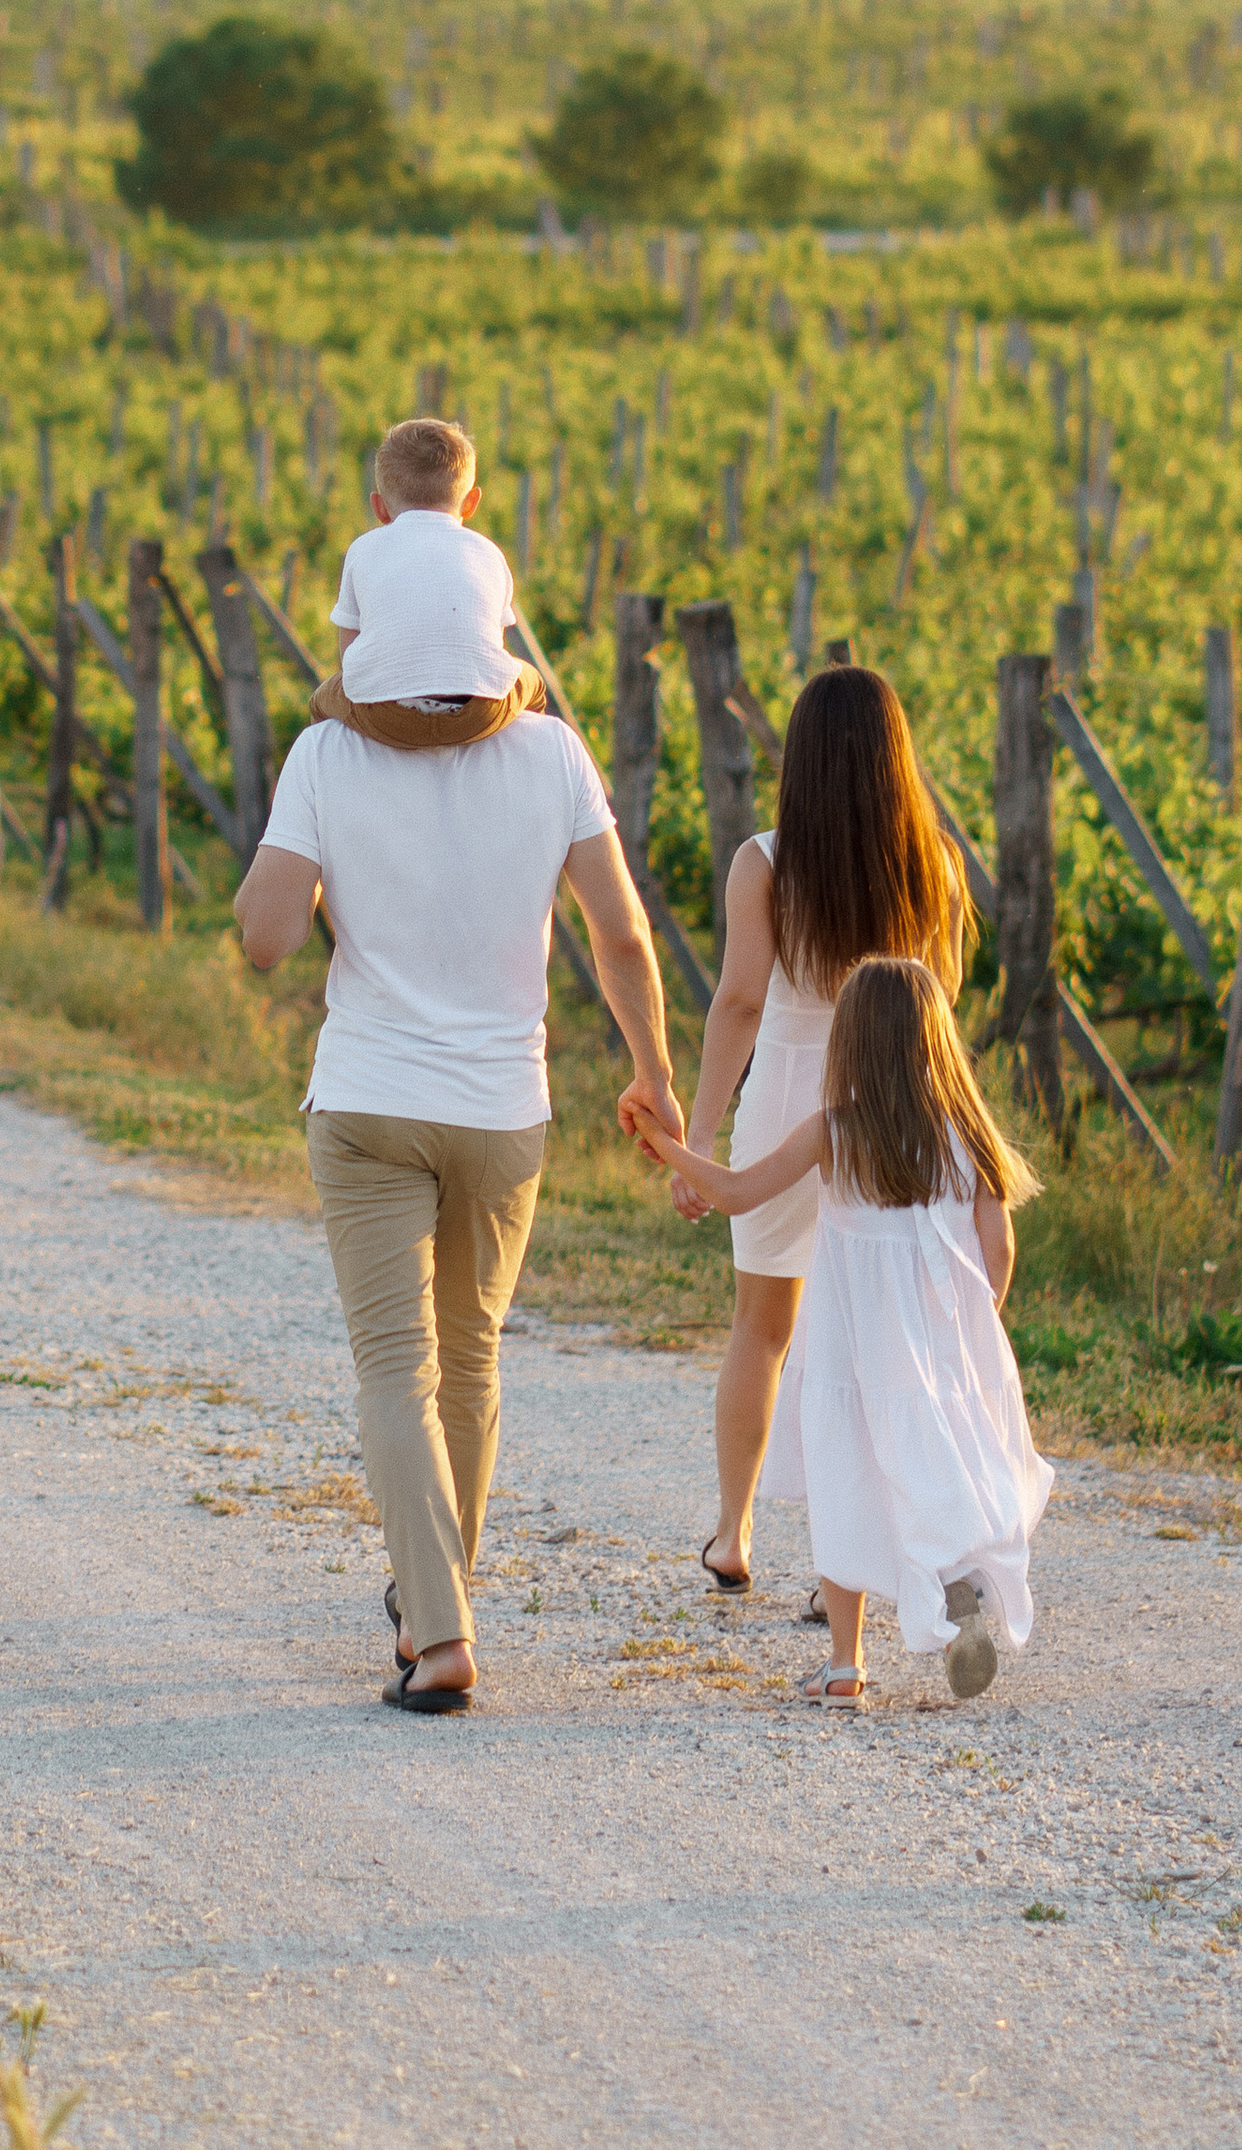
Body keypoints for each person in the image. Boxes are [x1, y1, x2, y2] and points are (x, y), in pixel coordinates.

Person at [234, 480, 679, 1714]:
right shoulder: (552, 752)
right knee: (470, 1363)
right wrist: (651, 1070)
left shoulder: (323, 753)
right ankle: (438, 1607)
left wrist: (310, 880)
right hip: (503, 1105)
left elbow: (267, 939)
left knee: (393, 1369)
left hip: (370, 1095)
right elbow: (621, 934)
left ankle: (438, 1636)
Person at [638, 954, 1049, 1707]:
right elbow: (1001, 1249)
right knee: (939, 1472)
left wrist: (666, 1146)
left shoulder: (835, 1131)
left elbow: (734, 1192)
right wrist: (974, 1325)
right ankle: (957, 1595)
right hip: (939, 1351)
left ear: (850, 1041)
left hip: (852, 1350)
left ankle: (844, 1664)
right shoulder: (968, 1133)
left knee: (846, 1483)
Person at [669, 663, 969, 1595]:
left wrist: (702, 1135)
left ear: (798, 758)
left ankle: (732, 1533)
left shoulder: (763, 861)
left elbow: (741, 1003)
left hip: (788, 1096)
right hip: (886, 1107)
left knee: (762, 1328)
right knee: (872, 1337)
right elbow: (941, 1005)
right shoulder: (935, 865)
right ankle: (850, 1560)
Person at [316, 414, 542, 748]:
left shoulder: (363, 549)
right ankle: (525, 750)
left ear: (379, 507)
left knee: (322, 699)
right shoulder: (489, 553)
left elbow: (349, 648)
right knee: (533, 682)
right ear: (471, 503)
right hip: (476, 716)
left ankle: (331, 761)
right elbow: (493, 642)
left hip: (387, 719)